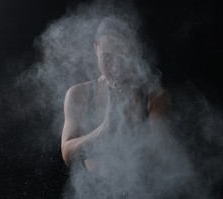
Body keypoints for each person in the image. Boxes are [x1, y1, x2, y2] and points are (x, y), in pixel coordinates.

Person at [61, 17, 170, 172]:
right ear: (96, 49)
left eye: (123, 55)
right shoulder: (79, 94)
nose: (117, 65)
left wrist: (134, 129)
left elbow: (165, 154)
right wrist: (104, 130)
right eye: (107, 56)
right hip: (92, 191)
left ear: (134, 51)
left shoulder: (154, 95)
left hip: (141, 189)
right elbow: (67, 154)